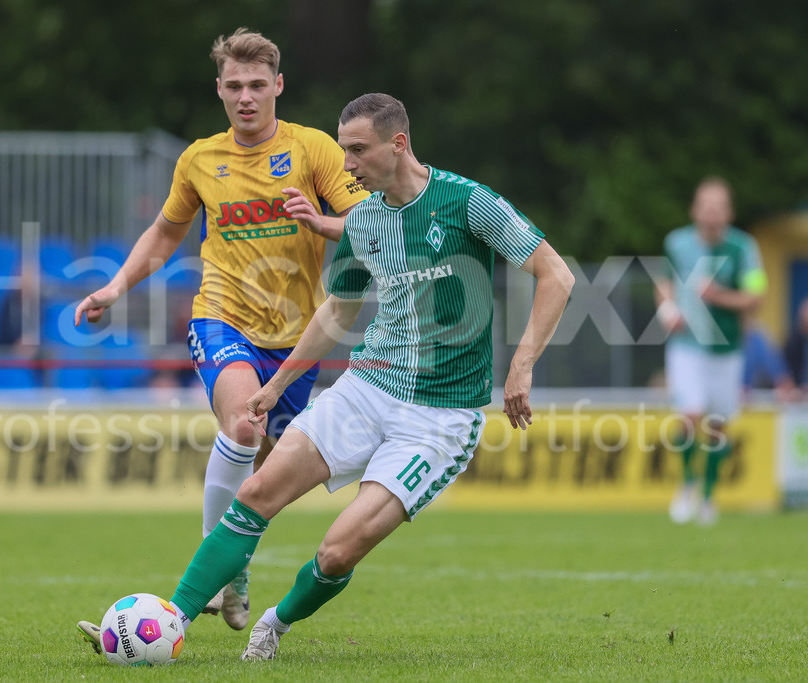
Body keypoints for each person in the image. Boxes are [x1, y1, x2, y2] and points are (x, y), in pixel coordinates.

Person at [76, 93, 573, 660]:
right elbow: (337, 312)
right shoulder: (363, 221)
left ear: (399, 143)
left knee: (337, 553)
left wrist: (522, 364)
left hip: (438, 419)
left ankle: (274, 623)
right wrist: (276, 385)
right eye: (343, 152)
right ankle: (171, 621)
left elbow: (555, 275)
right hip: (366, 389)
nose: (348, 165)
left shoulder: (467, 202)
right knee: (258, 490)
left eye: (358, 151)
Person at [74, 28, 367, 631]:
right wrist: (113, 287)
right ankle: (220, 580)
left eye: (258, 85)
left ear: (278, 85)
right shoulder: (200, 159)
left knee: (263, 470)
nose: (246, 97)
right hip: (221, 316)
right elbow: (164, 233)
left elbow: (366, 217)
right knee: (242, 424)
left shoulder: (313, 150)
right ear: (219, 90)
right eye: (234, 86)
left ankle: (231, 569)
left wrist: (321, 221)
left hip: (295, 340)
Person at [655, 177, 766, 526]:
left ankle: (708, 495)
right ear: (695, 209)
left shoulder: (744, 248)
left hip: (727, 348)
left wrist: (719, 296)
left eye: (719, 207)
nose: (712, 213)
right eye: (706, 205)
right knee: (690, 415)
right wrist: (668, 311)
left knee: (717, 425)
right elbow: (664, 285)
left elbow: (756, 297)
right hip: (687, 346)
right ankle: (687, 484)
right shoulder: (676, 242)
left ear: (729, 212)